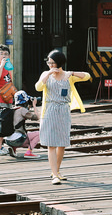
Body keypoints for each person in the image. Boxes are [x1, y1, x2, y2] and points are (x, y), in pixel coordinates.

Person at [35, 49, 90, 184]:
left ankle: (57, 171)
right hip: (49, 110)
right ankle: (54, 174)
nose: (50, 64)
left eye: (52, 62)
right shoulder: (45, 74)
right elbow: (38, 87)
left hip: (64, 111)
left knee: (62, 144)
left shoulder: (68, 76)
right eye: (48, 62)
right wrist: (48, 73)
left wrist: (70, 73)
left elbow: (87, 76)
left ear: (59, 63)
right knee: (51, 144)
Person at [3, 90, 41, 159]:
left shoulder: (13, 109)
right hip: (17, 140)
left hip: (7, 140)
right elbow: (37, 117)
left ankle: (13, 148)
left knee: (19, 134)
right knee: (39, 134)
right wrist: (34, 105)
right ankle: (29, 152)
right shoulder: (22, 110)